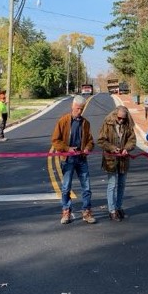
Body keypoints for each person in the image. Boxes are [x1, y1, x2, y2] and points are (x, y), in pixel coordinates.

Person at [52, 95, 96, 224]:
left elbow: (90, 141)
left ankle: (86, 211)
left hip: (81, 159)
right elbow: (55, 140)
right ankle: (66, 211)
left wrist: (88, 148)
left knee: (86, 187)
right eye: (78, 108)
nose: (79, 111)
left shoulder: (85, 123)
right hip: (68, 159)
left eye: (81, 109)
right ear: (72, 106)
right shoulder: (63, 121)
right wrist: (67, 148)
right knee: (66, 187)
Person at [97, 105, 137, 221]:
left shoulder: (128, 124)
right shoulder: (107, 123)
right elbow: (101, 140)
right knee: (112, 184)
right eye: (119, 118)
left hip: (123, 160)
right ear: (115, 115)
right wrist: (112, 148)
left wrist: (127, 148)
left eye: (123, 119)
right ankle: (112, 210)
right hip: (111, 160)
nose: (121, 120)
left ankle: (118, 207)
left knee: (122, 184)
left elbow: (132, 140)